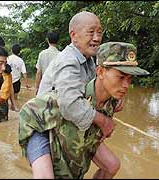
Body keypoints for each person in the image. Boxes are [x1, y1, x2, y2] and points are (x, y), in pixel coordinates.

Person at [19, 41, 150, 179]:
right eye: (121, 77)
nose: (126, 85)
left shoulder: (112, 99)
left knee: (112, 165)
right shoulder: (72, 97)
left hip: (77, 134)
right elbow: (28, 111)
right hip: (41, 130)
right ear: (100, 72)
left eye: (130, 79)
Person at [19, 11, 118, 178]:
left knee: (111, 166)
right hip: (41, 125)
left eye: (99, 32)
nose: (96, 38)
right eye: (91, 32)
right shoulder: (68, 60)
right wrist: (103, 121)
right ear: (74, 35)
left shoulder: (89, 60)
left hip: (65, 123)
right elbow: (70, 104)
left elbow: (97, 93)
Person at [7, 44, 30, 111]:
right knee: (15, 98)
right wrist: (27, 83)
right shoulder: (21, 61)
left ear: (11, 50)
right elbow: (24, 73)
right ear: (19, 52)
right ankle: (14, 108)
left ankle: (11, 109)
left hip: (8, 81)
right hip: (16, 82)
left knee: (7, 98)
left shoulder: (7, 58)